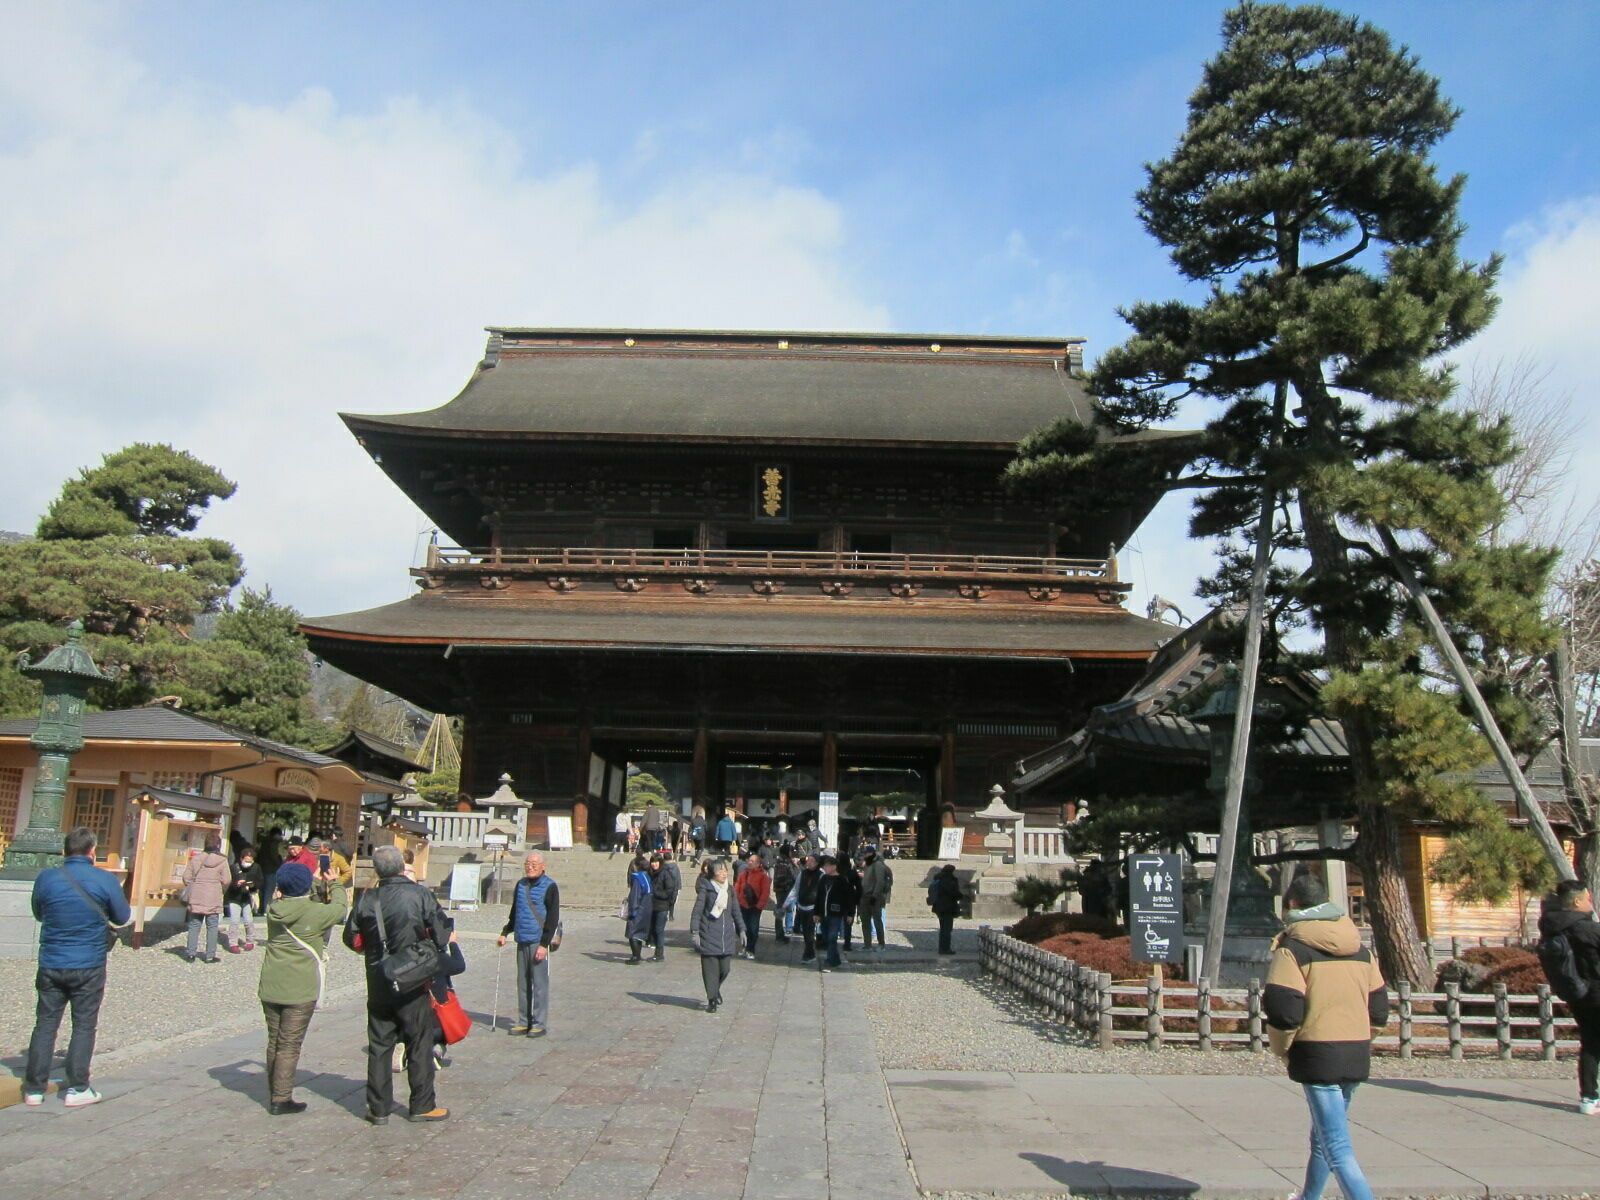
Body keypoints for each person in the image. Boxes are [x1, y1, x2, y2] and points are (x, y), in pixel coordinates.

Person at [1264, 874, 1386, 1200]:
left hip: (1316, 1053)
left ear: (1292, 904)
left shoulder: (1292, 950)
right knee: (1324, 1137)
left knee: (1337, 1147)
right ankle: (1309, 1197)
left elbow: (1284, 1010)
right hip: (1356, 1051)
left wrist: (1282, 1049)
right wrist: (1362, 1036)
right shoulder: (1361, 950)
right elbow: (1379, 1010)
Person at [343, 844, 452, 1124]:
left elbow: (351, 938)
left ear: (377, 870)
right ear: (402, 867)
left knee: (380, 1044)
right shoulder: (420, 894)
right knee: (419, 1041)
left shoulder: (366, 898)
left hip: (379, 978)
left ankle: (378, 1108)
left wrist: (374, 949)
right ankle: (422, 1105)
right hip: (413, 978)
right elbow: (441, 933)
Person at [23, 827, 131, 1109]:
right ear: (92, 851)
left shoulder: (46, 878)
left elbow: (38, 912)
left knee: (45, 1023)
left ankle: (34, 1088)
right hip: (88, 962)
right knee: (83, 1024)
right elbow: (122, 916)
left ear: (64, 851)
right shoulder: (104, 880)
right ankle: (78, 1087)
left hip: (52, 960)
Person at [257, 860, 347, 1115]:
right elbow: (340, 908)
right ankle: (281, 1098)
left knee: (274, 1040)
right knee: (289, 1044)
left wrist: (313, 882)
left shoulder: (274, 909)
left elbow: (299, 896)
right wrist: (334, 883)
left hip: (271, 983)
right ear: (306, 886)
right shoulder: (315, 913)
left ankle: (274, 1091)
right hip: (300, 987)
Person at [1538, 878, 1600, 1113]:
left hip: (1576, 993)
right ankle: (1590, 1096)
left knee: (1590, 1042)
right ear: (1576, 901)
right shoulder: (1587, 929)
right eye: (1587, 898)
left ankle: (1589, 1098)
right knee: (1593, 1043)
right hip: (1596, 990)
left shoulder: (1551, 928)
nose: (1590, 902)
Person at [496, 851, 559, 1036]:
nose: (530, 867)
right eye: (527, 863)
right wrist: (505, 932)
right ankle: (524, 1020)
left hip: (537, 941)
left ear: (543, 866)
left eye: (534, 864)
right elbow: (515, 912)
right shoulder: (521, 885)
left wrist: (544, 944)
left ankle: (539, 1022)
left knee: (539, 984)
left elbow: (552, 918)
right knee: (522, 983)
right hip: (522, 939)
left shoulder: (550, 886)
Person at [689, 858, 741, 1013]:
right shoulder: (706, 889)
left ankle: (715, 988)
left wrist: (742, 929)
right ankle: (712, 999)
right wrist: (695, 932)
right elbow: (697, 912)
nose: (724, 873)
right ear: (712, 873)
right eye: (720, 870)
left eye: (725, 870)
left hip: (726, 936)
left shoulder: (729, 890)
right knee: (710, 970)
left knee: (725, 969)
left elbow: (736, 911)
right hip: (709, 933)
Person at [182, 834, 232, 964]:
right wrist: (221, 889)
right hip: (213, 896)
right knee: (212, 926)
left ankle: (191, 954)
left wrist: (195, 885)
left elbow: (186, 877)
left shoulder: (196, 859)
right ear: (218, 845)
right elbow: (227, 880)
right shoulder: (222, 861)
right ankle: (210, 956)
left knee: (194, 925)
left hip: (196, 896)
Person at [225, 843, 264, 954]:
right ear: (241, 859)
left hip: (247, 897)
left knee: (249, 921)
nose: (248, 863)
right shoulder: (234, 867)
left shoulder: (256, 867)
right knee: (234, 921)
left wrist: (252, 886)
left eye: (250, 861)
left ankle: (250, 941)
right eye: (246, 861)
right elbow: (228, 882)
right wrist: (236, 884)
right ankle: (233, 944)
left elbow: (260, 882)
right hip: (234, 897)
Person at [734, 850, 771, 960]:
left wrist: (760, 905)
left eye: (752, 861)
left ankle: (750, 949)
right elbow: (737, 888)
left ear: (758, 863)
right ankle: (744, 946)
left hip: (755, 906)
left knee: (752, 928)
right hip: (742, 904)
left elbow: (765, 892)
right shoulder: (743, 874)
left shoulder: (763, 876)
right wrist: (736, 900)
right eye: (749, 861)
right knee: (740, 927)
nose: (749, 862)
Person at [815, 856, 848, 971]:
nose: (825, 868)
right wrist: (816, 913)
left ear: (834, 866)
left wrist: (849, 913)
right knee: (826, 937)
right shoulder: (823, 879)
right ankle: (836, 959)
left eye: (827, 866)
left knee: (832, 937)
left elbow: (848, 898)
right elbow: (818, 896)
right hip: (823, 913)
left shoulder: (842, 880)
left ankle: (829, 961)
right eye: (824, 866)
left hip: (836, 914)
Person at [646, 853, 678, 961]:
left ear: (660, 862)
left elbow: (669, 891)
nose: (654, 864)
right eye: (652, 862)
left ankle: (659, 954)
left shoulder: (665, 873)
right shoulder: (650, 873)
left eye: (656, 862)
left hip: (662, 906)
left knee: (659, 930)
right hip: (652, 906)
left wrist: (655, 893)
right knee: (653, 929)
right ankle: (656, 952)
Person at [859, 849, 892, 950]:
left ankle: (881, 944)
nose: (865, 855)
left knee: (877, 920)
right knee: (865, 921)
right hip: (864, 896)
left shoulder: (878, 865)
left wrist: (875, 895)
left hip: (874, 897)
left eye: (866, 854)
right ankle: (867, 944)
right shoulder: (868, 865)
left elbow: (880, 882)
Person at [928, 864, 963, 955]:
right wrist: (961, 896)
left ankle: (942, 948)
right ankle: (945, 949)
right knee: (947, 929)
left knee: (943, 928)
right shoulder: (949, 880)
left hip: (939, 907)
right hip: (947, 907)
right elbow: (953, 893)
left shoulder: (938, 879)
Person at [624, 855, 653, 963]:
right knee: (639, 934)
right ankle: (638, 955)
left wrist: (632, 911)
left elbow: (635, 896)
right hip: (647, 908)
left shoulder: (637, 878)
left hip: (638, 909)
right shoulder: (647, 876)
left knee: (632, 933)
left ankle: (635, 957)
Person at [794, 854, 822, 961]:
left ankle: (808, 954)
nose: (808, 863)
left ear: (817, 863)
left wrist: (819, 910)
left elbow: (822, 893)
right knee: (805, 931)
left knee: (810, 931)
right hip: (802, 906)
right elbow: (796, 888)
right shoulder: (803, 873)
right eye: (808, 860)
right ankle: (810, 953)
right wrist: (792, 902)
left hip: (813, 907)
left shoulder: (821, 875)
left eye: (811, 861)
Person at [771, 850, 797, 944]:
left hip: (779, 890)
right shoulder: (787, 864)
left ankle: (780, 935)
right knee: (785, 911)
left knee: (780, 912)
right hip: (786, 890)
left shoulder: (778, 863)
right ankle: (781, 935)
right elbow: (794, 877)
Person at [838, 856, 862, 952]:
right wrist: (857, 900)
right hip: (850, 900)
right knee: (848, 923)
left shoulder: (837, 872)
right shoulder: (852, 873)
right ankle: (847, 944)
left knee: (834, 921)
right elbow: (859, 888)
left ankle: (831, 941)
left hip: (838, 899)